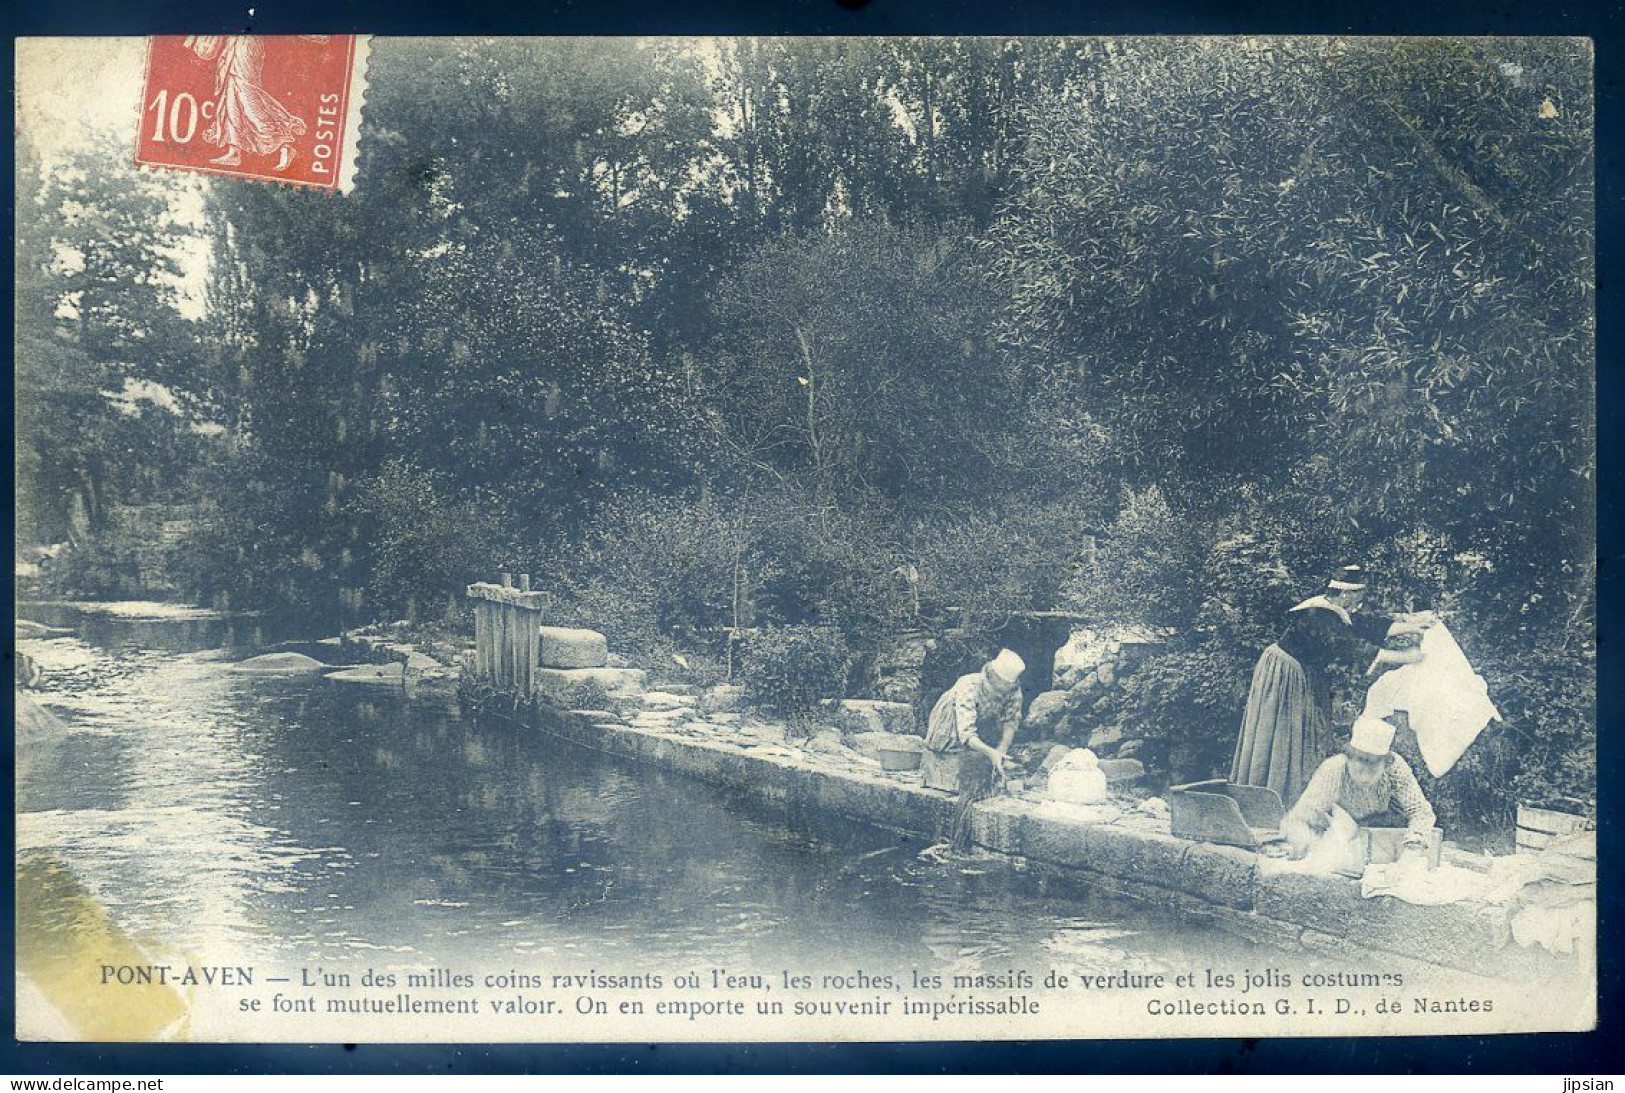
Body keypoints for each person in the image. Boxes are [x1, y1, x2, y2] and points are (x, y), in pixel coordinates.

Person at [1231, 564, 1431, 809]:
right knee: (1284, 733)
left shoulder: (1333, 609)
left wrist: (1413, 626)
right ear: (1345, 595)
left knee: (1300, 732)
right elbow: (1350, 646)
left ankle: (1294, 799)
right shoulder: (1318, 615)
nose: (1358, 604)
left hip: (1300, 673)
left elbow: (1367, 625)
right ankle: (1273, 799)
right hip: (1284, 674)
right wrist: (1406, 656)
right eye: (1357, 597)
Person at [1281, 715, 1437, 865]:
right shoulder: (1333, 769)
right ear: (1349, 758)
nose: (1364, 778)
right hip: (1335, 836)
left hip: (1383, 837)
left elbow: (1421, 812)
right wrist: (1309, 843)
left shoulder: (1396, 768)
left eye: (1372, 770)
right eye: (1359, 770)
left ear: (1386, 764)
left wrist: (1413, 848)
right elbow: (1296, 819)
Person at [924, 648, 1025, 851]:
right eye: (999, 688)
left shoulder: (1013, 690)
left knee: (989, 755)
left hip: (981, 725)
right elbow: (966, 732)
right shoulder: (969, 684)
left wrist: (1001, 750)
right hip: (949, 727)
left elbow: (1011, 721)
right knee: (969, 756)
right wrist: (990, 753)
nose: (1002, 692)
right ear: (991, 677)